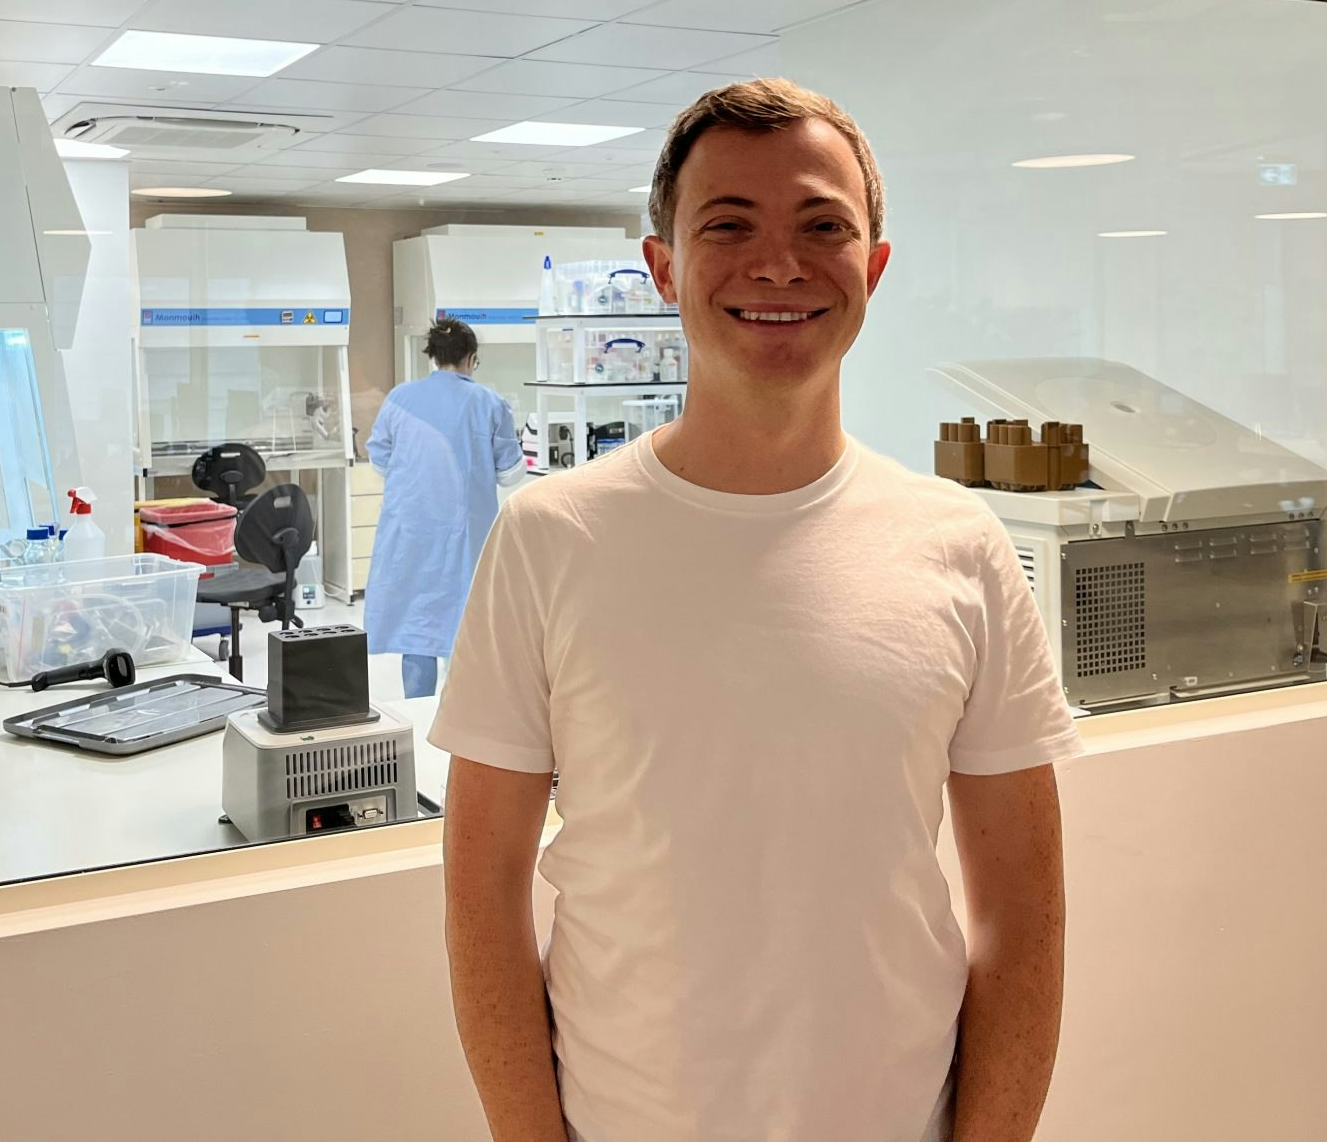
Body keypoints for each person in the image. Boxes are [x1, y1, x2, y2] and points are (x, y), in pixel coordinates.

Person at [430, 78, 1081, 1142]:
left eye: (822, 226)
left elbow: (1024, 915)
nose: (778, 262)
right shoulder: (549, 540)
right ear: (662, 266)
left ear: (871, 265)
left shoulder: (959, 548)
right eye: (727, 225)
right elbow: (480, 902)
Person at [364, 315, 525, 698]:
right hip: (465, 535)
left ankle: (418, 715)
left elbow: (378, 460)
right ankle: (464, 719)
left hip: (411, 532)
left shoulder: (400, 398)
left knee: (416, 623)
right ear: (471, 358)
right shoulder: (489, 402)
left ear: (432, 358)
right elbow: (511, 473)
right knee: (466, 624)